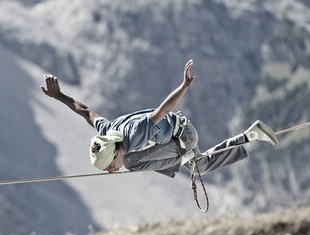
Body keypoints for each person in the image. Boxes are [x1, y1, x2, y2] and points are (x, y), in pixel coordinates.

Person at [40, 59, 278, 178]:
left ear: (116, 152)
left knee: (133, 164)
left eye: (109, 166)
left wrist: (184, 86)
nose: (111, 171)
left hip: (183, 135)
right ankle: (251, 135)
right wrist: (59, 95)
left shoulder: (135, 134)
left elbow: (162, 110)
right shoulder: (107, 132)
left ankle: (183, 156)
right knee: (200, 167)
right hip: (173, 139)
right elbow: (86, 112)